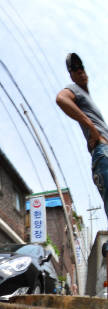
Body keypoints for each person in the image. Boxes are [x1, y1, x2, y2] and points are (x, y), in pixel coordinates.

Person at [56, 52, 108, 219]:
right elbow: (61, 98)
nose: (80, 71)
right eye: (75, 69)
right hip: (102, 151)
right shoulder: (74, 89)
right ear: (71, 75)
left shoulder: (88, 97)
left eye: (82, 68)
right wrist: (91, 127)